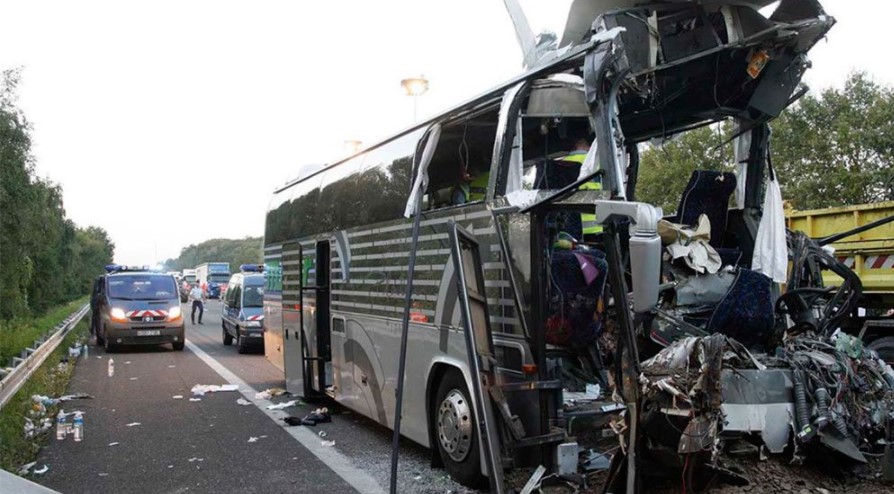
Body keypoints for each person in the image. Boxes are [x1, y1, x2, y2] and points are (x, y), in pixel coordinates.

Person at [557, 138, 603, 241]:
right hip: (597, 226)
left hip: (571, 227)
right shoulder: (596, 163)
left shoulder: (562, 164)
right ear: (588, 146)